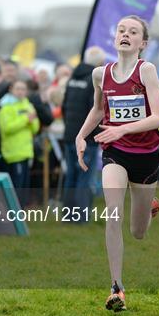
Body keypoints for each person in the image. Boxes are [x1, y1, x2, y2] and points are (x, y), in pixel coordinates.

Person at [75, 15, 159, 311]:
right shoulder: (101, 74)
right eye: (121, 30)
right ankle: (116, 287)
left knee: (138, 232)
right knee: (112, 214)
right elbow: (99, 110)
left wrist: (123, 127)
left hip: (146, 155)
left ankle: (149, 206)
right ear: (115, 38)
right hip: (115, 151)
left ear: (143, 43)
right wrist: (81, 135)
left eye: (133, 31)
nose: (125, 34)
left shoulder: (146, 70)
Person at [61, 46, 106, 220]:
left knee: (71, 175)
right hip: (86, 138)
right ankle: (80, 216)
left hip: (69, 135)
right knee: (84, 176)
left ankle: (68, 214)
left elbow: (64, 107)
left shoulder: (72, 79)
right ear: (100, 63)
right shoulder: (92, 81)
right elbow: (95, 110)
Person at [0, 80, 40, 205]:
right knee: (15, 187)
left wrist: (32, 121)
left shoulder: (29, 106)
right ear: (11, 89)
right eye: (18, 88)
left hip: (27, 152)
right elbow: (7, 128)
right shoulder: (6, 108)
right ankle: (13, 213)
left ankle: (20, 214)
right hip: (13, 153)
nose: (21, 92)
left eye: (23, 89)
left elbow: (35, 128)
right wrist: (25, 119)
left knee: (23, 186)